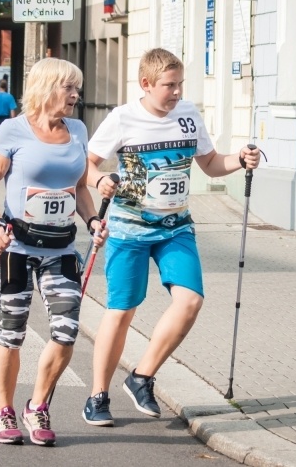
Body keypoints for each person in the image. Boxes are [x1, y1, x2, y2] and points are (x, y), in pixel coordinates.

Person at [81, 47, 261, 426]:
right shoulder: (122, 118)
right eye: (169, 85)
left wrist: (239, 159)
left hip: (175, 228)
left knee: (190, 301)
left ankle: (141, 376)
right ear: (146, 84)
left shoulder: (188, 115)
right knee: (122, 311)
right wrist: (99, 181)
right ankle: (98, 395)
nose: (177, 92)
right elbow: (87, 164)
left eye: (180, 84)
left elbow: (210, 164)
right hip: (129, 230)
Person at [0, 57, 108, 446]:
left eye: (76, 88)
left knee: (66, 332)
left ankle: (37, 406)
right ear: (46, 88)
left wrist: (92, 221)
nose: (75, 95)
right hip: (16, 245)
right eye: (68, 87)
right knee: (12, 331)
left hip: (61, 248)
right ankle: (4, 411)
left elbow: (80, 186)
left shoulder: (78, 130)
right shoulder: (12, 131)